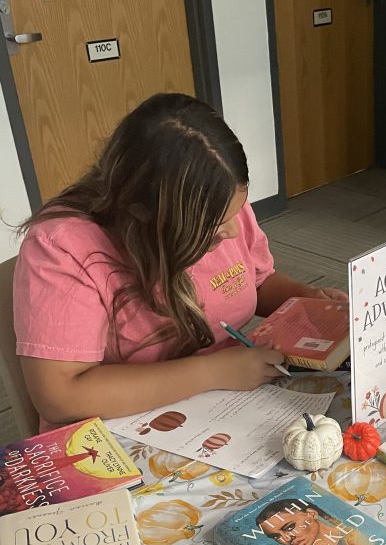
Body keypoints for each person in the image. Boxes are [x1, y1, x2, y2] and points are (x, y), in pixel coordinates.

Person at [13, 93, 346, 427]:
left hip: (229, 399)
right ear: (144, 215)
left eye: (236, 211)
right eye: (213, 225)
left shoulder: (220, 204)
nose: (231, 231)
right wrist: (212, 372)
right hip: (125, 423)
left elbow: (256, 282)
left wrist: (306, 298)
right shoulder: (63, 247)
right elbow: (60, 396)